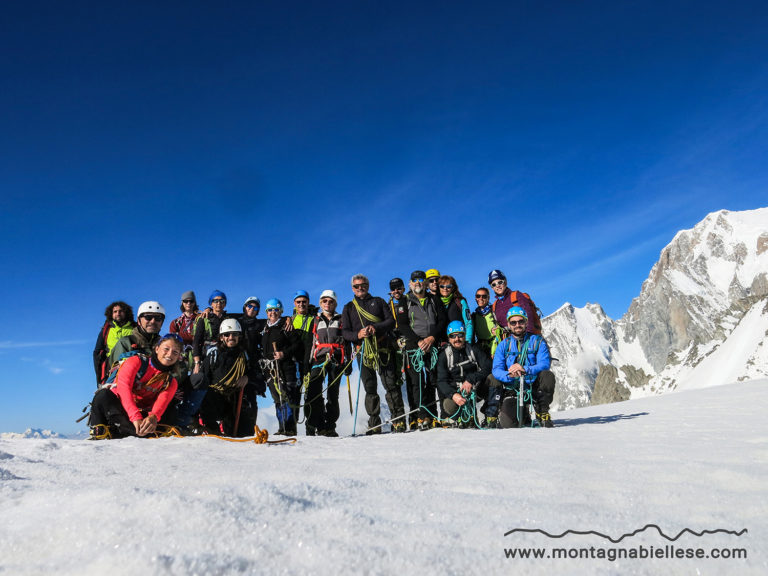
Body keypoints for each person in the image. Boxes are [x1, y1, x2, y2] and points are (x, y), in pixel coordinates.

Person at [341, 274, 406, 434]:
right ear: (352, 288)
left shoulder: (378, 302)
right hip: (363, 351)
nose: (360, 288)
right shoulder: (348, 307)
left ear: (368, 285)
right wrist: (358, 335)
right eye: (356, 286)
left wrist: (375, 328)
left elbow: (390, 321)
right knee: (370, 388)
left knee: (390, 385)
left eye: (363, 285)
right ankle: (374, 423)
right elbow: (345, 332)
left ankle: (399, 421)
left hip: (383, 348)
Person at [89, 334, 182, 439]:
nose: (169, 354)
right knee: (103, 395)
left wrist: (153, 417)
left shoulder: (170, 382)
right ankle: (100, 431)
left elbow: (161, 404)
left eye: (175, 352)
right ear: (157, 349)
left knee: (171, 407)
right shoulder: (135, 362)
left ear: (178, 356)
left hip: (141, 417)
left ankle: (125, 431)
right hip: (123, 411)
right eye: (166, 349)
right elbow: (124, 390)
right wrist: (135, 417)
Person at [393, 270, 448, 430]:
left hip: (432, 344)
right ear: (410, 284)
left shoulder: (433, 299)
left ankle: (432, 415)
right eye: (414, 280)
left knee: (433, 380)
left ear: (425, 283)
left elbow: (442, 320)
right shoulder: (405, 301)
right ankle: (418, 416)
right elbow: (402, 324)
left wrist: (432, 337)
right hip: (413, 346)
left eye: (420, 280)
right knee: (415, 382)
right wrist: (418, 341)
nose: (418, 282)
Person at [196, 318, 263, 437]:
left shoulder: (246, 356)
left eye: (234, 334)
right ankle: (212, 429)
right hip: (218, 399)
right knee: (204, 394)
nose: (231, 337)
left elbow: (258, 375)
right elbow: (202, 379)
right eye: (227, 334)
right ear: (221, 337)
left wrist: (247, 378)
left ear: (239, 336)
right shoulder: (213, 356)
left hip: (238, 400)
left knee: (241, 435)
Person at [491, 306, 556, 428]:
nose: (517, 325)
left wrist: (525, 369)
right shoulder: (503, 345)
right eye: (513, 322)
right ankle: (524, 414)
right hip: (513, 387)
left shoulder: (537, 341)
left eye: (521, 321)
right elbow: (496, 369)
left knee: (547, 376)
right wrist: (509, 375)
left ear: (526, 322)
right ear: (509, 325)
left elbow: (544, 364)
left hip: (533, 385)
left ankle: (542, 412)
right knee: (509, 424)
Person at [304, 290, 351, 437]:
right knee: (313, 391)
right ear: (320, 303)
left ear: (335, 303)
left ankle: (329, 426)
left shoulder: (341, 319)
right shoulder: (316, 320)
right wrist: (308, 362)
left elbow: (347, 340)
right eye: (324, 301)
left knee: (333, 393)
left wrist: (348, 361)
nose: (327, 303)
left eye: (330, 301)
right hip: (319, 358)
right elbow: (311, 342)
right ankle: (314, 424)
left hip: (337, 358)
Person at [436, 321, 492, 428]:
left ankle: (489, 413)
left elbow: (488, 366)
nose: (457, 339)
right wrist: (453, 395)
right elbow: (441, 381)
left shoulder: (473, 350)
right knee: (448, 404)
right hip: (457, 391)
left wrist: (472, 379)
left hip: (475, 390)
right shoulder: (444, 355)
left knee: (492, 379)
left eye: (460, 335)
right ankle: (461, 418)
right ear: (449, 338)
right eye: (453, 336)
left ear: (465, 335)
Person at [261, 299, 301, 435]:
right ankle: (282, 427)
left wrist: (284, 353)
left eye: (276, 310)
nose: (273, 312)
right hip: (270, 369)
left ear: (281, 311)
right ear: (266, 312)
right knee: (278, 399)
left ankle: (289, 428)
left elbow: (297, 345)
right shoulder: (264, 328)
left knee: (287, 397)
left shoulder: (286, 327)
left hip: (286, 367)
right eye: (270, 310)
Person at [387, 277, 417, 430]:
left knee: (412, 379)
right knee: (395, 381)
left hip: (410, 341)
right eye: (393, 288)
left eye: (399, 288)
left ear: (404, 288)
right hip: (393, 344)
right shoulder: (388, 305)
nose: (396, 291)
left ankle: (414, 416)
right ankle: (398, 419)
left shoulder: (409, 301)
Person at [108, 301, 166, 375]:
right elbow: (118, 374)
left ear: (162, 322)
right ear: (139, 321)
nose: (153, 321)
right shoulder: (126, 342)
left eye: (158, 318)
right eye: (148, 317)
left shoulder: (165, 346)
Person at [192, 290, 235, 375]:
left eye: (222, 301)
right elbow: (196, 341)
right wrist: (197, 363)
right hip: (207, 357)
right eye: (215, 301)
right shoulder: (204, 319)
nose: (218, 303)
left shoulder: (229, 320)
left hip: (225, 357)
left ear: (225, 304)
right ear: (211, 304)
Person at [93, 301, 135, 385]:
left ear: (126, 312)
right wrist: (99, 378)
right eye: (115, 311)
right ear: (111, 314)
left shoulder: (135, 328)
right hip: (111, 364)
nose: (118, 313)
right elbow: (97, 351)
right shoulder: (106, 330)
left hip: (130, 361)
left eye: (121, 311)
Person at [488, 269, 542, 335]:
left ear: (505, 282)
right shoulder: (495, 306)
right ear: (492, 288)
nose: (497, 286)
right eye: (494, 284)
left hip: (526, 338)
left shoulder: (517, 296)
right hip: (509, 342)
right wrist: (496, 330)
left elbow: (529, 317)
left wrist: (528, 338)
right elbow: (501, 326)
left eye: (500, 282)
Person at [437, 275, 473, 345]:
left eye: (448, 286)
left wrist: (468, 341)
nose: (445, 288)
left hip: (460, 342)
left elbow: (468, 322)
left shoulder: (460, 302)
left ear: (453, 287)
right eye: (442, 286)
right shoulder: (435, 302)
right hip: (443, 344)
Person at [169, 291, 200, 364]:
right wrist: (192, 336)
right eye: (186, 301)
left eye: (191, 301)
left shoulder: (200, 318)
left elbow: (201, 337)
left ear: (194, 303)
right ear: (182, 303)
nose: (188, 303)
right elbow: (173, 338)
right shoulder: (176, 323)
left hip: (198, 354)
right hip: (181, 356)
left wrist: (180, 335)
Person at [472, 287, 498, 357]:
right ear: (475, 298)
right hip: (481, 348)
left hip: (495, 345)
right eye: (478, 296)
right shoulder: (474, 316)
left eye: (484, 296)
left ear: (488, 298)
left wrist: (498, 330)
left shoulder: (495, 311)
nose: (481, 298)